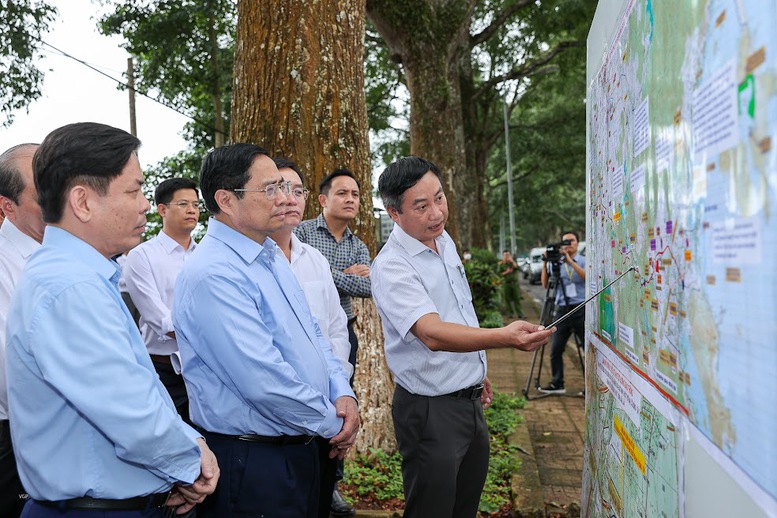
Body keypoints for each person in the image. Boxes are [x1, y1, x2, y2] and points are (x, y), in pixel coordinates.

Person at [5, 122, 219, 517]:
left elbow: (141, 387)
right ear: (83, 202)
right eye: (134, 190)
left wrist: (186, 452)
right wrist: (192, 463)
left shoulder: (83, 275)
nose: (143, 205)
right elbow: (129, 412)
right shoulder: (68, 286)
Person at [173, 144, 359, 518]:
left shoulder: (270, 256)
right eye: (270, 189)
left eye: (286, 187)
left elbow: (315, 334)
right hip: (253, 460)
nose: (284, 198)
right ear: (226, 200)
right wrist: (334, 423)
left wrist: (343, 393)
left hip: (301, 444)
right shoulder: (214, 273)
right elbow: (263, 380)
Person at [372, 156, 554, 518]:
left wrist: (476, 368)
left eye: (439, 198)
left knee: (464, 507)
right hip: (429, 411)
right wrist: (503, 336)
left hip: (468, 401)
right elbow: (432, 333)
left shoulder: (443, 241)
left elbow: (458, 311)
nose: (436, 213)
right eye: (421, 206)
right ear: (394, 214)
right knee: (432, 510)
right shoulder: (392, 265)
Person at [269, 157, 354, 518]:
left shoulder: (316, 260)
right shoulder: (251, 263)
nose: (290, 198)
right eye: (280, 188)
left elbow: (336, 328)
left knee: (319, 501)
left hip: (327, 411)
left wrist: (339, 389)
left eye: (298, 190)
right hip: (276, 423)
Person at [294, 167, 370, 515]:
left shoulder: (359, 244)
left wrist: (325, 271)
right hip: (303, 332)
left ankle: (332, 483)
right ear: (323, 200)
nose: (351, 200)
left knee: (341, 405)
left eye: (355, 195)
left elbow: (369, 287)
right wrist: (344, 275)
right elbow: (295, 276)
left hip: (343, 332)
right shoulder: (301, 231)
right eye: (343, 193)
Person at [123, 178, 200, 423]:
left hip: (207, 370)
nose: (192, 210)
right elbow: (161, 321)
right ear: (162, 209)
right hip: (163, 369)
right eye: (183, 204)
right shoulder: (141, 256)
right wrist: (214, 334)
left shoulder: (207, 256)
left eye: (196, 205)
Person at [0, 143, 44, 517]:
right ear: (7, 206)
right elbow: (9, 369)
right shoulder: (4, 265)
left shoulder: (79, 253)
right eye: (41, 188)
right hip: (17, 433)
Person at [539, 231, 586, 394]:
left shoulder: (584, 261)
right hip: (562, 310)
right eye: (565, 242)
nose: (568, 244)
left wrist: (570, 261)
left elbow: (586, 277)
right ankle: (557, 383)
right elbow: (545, 285)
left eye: (571, 241)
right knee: (556, 348)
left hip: (581, 307)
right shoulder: (556, 263)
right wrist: (545, 263)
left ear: (577, 244)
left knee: (588, 348)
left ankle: (590, 386)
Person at [498, 249, 523, 318]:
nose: (507, 257)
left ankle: (520, 314)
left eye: (508, 255)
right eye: (505, 255)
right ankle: (510, 314)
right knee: (507, 299)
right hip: (506, 283)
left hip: (514, 284)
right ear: (503, 256)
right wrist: (506, 272)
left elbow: (519, 269)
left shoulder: (513, 263)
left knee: (517, 299)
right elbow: (498, 274)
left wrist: (512, 261)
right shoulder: (501, 264)